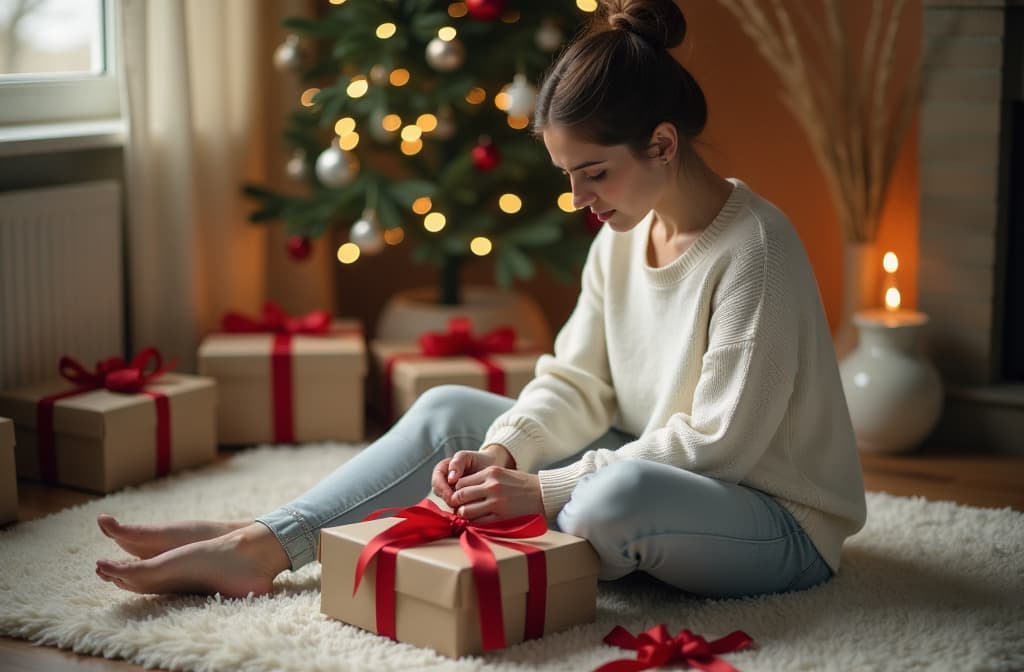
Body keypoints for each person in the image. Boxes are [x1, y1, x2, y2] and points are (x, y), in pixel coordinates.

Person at [95, 0, 866, 600]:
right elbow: (576, 381)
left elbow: (718, 447)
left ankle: (285, 536)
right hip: (657, 473)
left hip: (773, 520)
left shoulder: (755, 248)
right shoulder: (621, 235)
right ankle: (262, 542)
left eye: (593, 172)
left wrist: (542, 487)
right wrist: (503, 452)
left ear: (662, 144)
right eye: (567, 175)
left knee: (609, 499)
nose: (578, 198)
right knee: (450, 413)